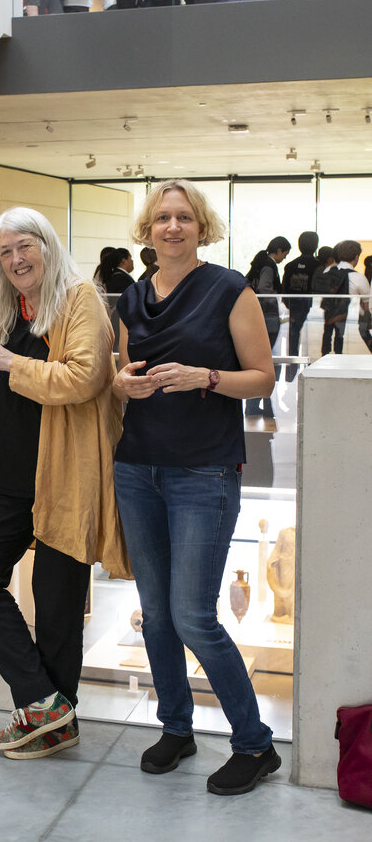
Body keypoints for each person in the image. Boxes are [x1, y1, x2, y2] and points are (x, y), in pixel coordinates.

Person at [112, 179, 281, 796]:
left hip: (203, 472)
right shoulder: (132, 295)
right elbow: (121, 370)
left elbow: (262, 378)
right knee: (156, 615)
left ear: (201, 226)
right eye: (163, 218)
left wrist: (206, 376)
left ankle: (255, 745)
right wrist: (121, 384)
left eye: (185, 217)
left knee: (192, 616)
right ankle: (176, 728)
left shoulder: (229, 289)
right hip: (137, 468)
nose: (173, 227)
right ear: (148, 229)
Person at [0, 207, 129, 760]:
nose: (16, 259)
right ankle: (45, 704)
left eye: (25, 246)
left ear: (47, 247)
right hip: (12, 475)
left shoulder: (80, 300)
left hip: (65, 475)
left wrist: (7, 361)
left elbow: (84, 378)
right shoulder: (6, 303)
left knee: (57, 607)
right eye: (5, 252)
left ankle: (49, 723)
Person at [244, 236, 290, 418]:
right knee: (266, 362)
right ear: (278, 251)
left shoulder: (258, 262)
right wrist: (277, 300)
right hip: (267, 316)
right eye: (284, 254)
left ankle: (256, 404)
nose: (284, 258)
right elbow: (264, 288)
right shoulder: (269, 266)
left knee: (256, 361)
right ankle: (261, 405)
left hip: (257, 316)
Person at [319, 239, 370, 355]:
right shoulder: (359, 278)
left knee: (327, 334)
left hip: (326, 314)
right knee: (339, 336)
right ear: (356, 257)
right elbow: (366, 304)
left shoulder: (327, 271)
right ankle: (339, 356)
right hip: (347, 320)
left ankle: (324, 356)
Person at [281, 231, 320, 381]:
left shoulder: (290, 266)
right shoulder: (319, 265)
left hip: (294, 308)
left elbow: (284, 291)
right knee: (311, 342)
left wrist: (289, 304)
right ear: (315, 245)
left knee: (293, 341)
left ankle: (291, 375)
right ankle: (310, 375)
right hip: (312, 310)